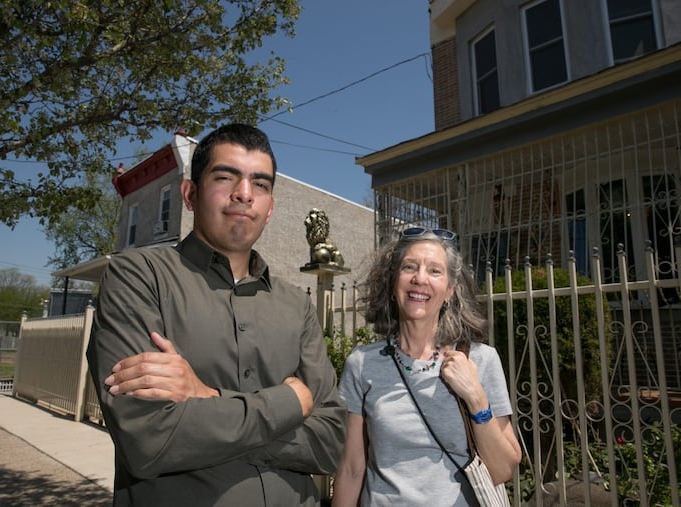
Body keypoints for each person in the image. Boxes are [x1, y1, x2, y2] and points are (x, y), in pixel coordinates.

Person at [87, 123, 346, 506]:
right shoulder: (139, 277)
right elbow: (148, 439)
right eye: (226, 177)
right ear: (190, 194)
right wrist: (288, 405)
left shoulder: (296, 305)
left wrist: (206, 398)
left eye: (260, 184)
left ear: (270, 207)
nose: (244, 193)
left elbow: (332, 441)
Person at [332, 227, 521, 506]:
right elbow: (351, 467)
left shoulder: (481, 360)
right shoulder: (363, 364)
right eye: (409, 267)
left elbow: (503, 469)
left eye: (435, 271)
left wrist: (476, 397)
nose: (420, 278)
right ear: (393, 282)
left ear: (449, 291)